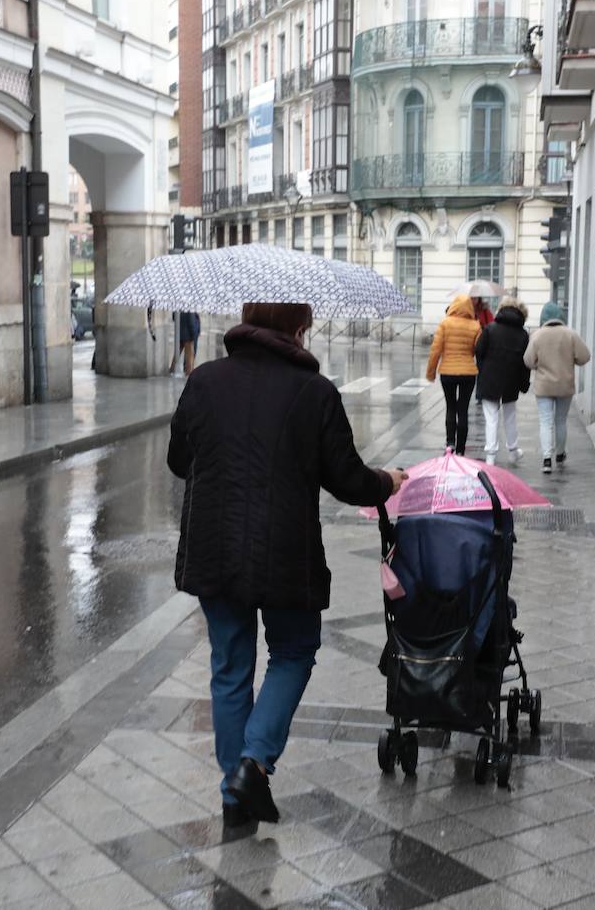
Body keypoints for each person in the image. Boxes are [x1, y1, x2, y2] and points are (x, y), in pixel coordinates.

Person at [168, 302, 406, 827]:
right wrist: (387, 481)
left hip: (214, 549)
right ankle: (252, 763)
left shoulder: (204, 381)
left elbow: (179, 461)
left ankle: (235, 799)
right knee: (294, 651)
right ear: (297, 328)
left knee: (230, 666)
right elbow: (347, 479)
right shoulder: (314, 391)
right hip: (285, 554)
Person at [524, 301, 591, 474]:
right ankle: (560, 454)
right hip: (564, 385)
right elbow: (585, 356)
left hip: (544, 385)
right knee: (561, 420)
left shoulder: (538, 335)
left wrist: (539, 365)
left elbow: (528, 360)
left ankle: (547, 459)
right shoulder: (570, 334)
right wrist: (571, 360)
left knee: (545, 421)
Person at [474, 297, 532, 465]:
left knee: (491, 417)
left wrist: (483, 370)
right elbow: (525, 363)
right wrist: (524, 384)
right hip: (511, 380)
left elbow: (479, 351)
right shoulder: (523, 334)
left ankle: (491, 455)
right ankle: (513, 450)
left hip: (489, 378)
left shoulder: (490, 329)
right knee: (510, 415)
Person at [425, 294, 482, 455]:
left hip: (447, 371)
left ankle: (450, 444)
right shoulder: (475, 326)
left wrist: (431, 373)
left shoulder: (445, 323)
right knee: (463, 409)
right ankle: (461, 449)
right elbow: (477, 350)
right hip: (468, 373)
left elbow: (435, 350)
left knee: (450, 407)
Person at [169, 310, 201, 376]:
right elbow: (191, 322)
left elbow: (174, 318)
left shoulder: (178, 308)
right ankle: (189, 372)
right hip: (188, 336)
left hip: (180, 333)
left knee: (177, 353)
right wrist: (194, 335)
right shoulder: (190, 308)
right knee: (189, 356)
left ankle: (172, 369)